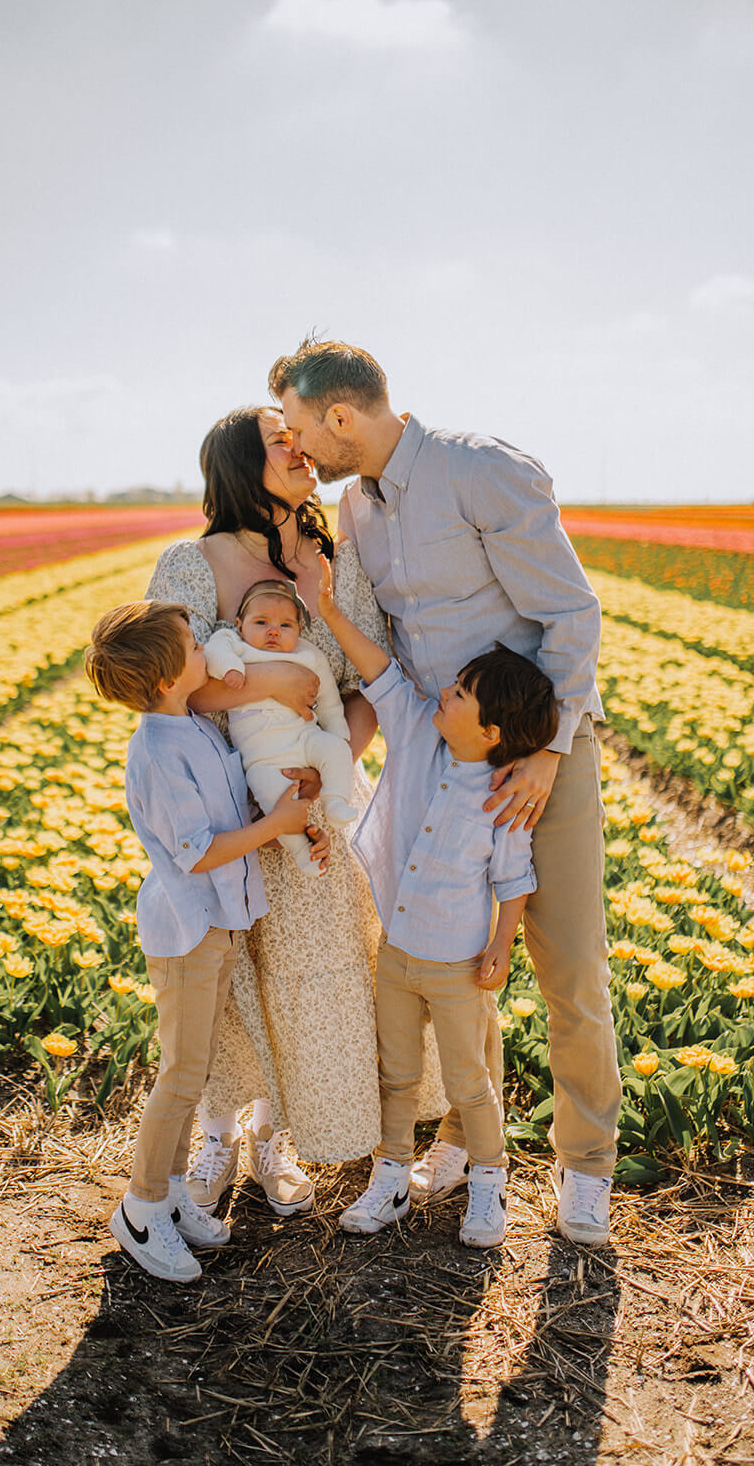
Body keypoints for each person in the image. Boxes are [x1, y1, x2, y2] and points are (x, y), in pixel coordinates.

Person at [273, 337, 622, 1247]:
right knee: (460, 955)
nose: (301, 447)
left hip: (540, 753)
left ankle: (586, 1166)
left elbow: (570, 614)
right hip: (434, 759)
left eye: (305, 429)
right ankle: (471, 1137)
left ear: (341, 416)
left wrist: (546, 752)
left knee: (569, 963)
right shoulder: (359, 508)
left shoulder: (479, 471)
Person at [146, 406, 446, 1219]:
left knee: (301, 977)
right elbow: (162, 681)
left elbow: (364, 686)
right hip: (218, 809)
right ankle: (217, 1134)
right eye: (281, 442)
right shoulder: (190, 563)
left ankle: (274, 1138)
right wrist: (269, 686)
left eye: (298, 436)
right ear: (241, 465)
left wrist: (327, 772)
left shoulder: (328, 562)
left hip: (307, 813)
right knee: (222, 975)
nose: (301, 448)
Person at [317, 551, 556, 1246]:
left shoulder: (503, 799)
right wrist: (330, 611)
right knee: (396, 1074)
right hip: (397, 953)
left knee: (469, 1082)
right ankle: (390, 1179)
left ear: (490, 733)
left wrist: (499, 947)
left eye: (459, 694)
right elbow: (382, 673)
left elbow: (513, 883)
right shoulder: (420, 731)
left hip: (456, 968)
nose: (441, 694)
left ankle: (489, 1187)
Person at [83, 599, 323, 1282]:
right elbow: (198, 851)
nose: (206, 652)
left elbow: (226, 812)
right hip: (187, 929)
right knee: (181, 1074)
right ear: (165, 676)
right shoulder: (158, 749)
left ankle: (174, 1197)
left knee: (191, 1074)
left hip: (212, 923)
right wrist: (278, 822)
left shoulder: (192, 726)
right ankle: (141, 1208)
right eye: (192, 646)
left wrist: (287, 803)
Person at [204, 577, 357, 876]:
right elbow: (213, 651)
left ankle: (336, 800)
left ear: (299, 630)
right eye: (261, 622)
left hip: (305, 738)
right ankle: (302, 850)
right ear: (239, 624)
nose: (273, 630)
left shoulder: (308, 655)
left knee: (336, 749)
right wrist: (230, 669)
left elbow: (328, 701)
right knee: (276, 803)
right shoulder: (234, 645)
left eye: (286, 625)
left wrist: (338, 733)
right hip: (262, 759)